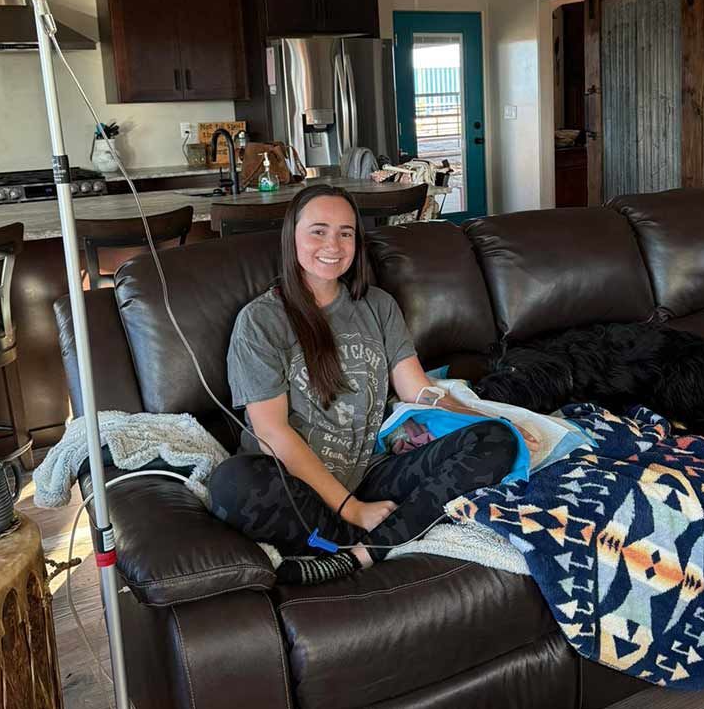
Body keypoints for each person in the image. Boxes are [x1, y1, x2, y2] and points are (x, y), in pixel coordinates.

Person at [208, 183, 520, 584]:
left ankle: (355, 552)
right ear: (293, 237)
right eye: (318, 230)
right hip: (294, 485)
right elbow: (272, 432)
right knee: (232, 485)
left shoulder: (378, 306)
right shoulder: (261, 321)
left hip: (371, 475)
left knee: (497, 438)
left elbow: (417, 391)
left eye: (346, 232)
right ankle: (373, 537)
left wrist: (487, 419)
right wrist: (351, 509)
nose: (333, 244)